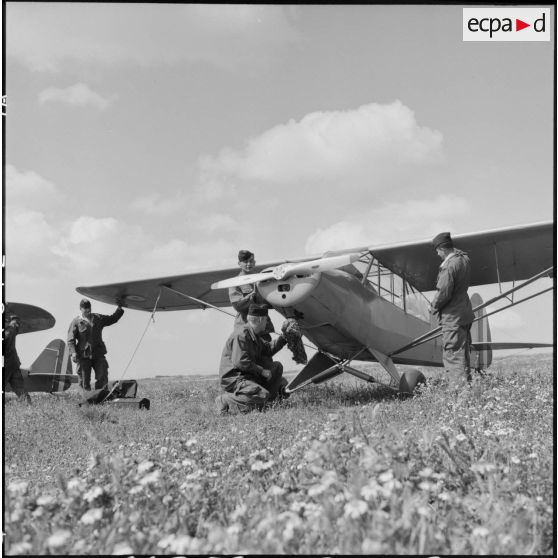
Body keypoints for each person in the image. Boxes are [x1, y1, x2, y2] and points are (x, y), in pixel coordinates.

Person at [215, 304, 289, 414]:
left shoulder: (254, 334)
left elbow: (267, 350)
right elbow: (240, 362)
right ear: (260, 320)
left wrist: (284, 338)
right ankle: (224, 400)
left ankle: (267, 403)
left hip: (247, 375)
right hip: (234, 378)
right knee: (262, 394)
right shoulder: (241, 335)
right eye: (266, 320)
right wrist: (262, 371)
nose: (267, 323)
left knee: (277, 367)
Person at [430, 232, 475, 388]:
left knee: (453, 356)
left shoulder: (449, 266)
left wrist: (433, 306)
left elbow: (443, 293)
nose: (437, 254)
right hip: (464, 315)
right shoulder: (464, 259)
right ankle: (466, 393)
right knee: (463, 356)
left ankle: (459, 396)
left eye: (437, 250)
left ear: (442, 249)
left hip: (452, 318)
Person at [68, 299, 124, 391]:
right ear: (80, 308)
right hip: (83, 355)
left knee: (102, 375)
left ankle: (101, 398)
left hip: (98, 353)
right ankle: (86, 401)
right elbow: (71, 340)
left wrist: (119, 308)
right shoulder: (76, 322)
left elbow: (112, 319)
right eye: (85, 308)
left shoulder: (98, 318)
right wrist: (73, 353)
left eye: (88, 308)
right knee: (84, 380)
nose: (87, 310)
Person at [228, 249, 275, 341]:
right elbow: (238, 306)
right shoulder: (235, 282)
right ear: (239, 263)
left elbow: (271, 300)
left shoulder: (261, 280)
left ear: (255, 262)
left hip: (262, 328)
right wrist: (254, 297)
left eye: (251, 261)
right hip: (246, 328)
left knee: (266, 352)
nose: (249, 264)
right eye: (245, 262)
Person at [3, 313, 32, 404]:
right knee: (21, 389)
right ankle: (29, 406)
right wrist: (14, 317)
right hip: (14, 365)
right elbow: (15, 323)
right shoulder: (10, 331)